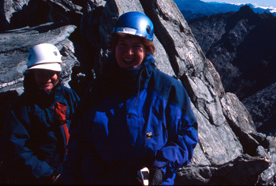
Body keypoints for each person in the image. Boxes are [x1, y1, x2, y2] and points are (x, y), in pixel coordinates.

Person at [62, 11, 198, 185]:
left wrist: (160, 167)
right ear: (113, 47)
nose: (129, 52)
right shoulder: (97, 90)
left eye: (137, 46)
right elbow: (78, 143)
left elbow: (187, 134)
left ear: (147, 50)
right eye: (122, 44)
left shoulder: (167, 89)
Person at [2, 43, 80, 184]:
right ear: (32, 74)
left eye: (51, 73)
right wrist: (50, 175)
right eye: (41, 73)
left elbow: (84, 128)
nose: (47, 78)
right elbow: (17, 148)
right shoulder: (23, 107)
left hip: (71, 169)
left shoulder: (69, 96)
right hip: (41, 177)